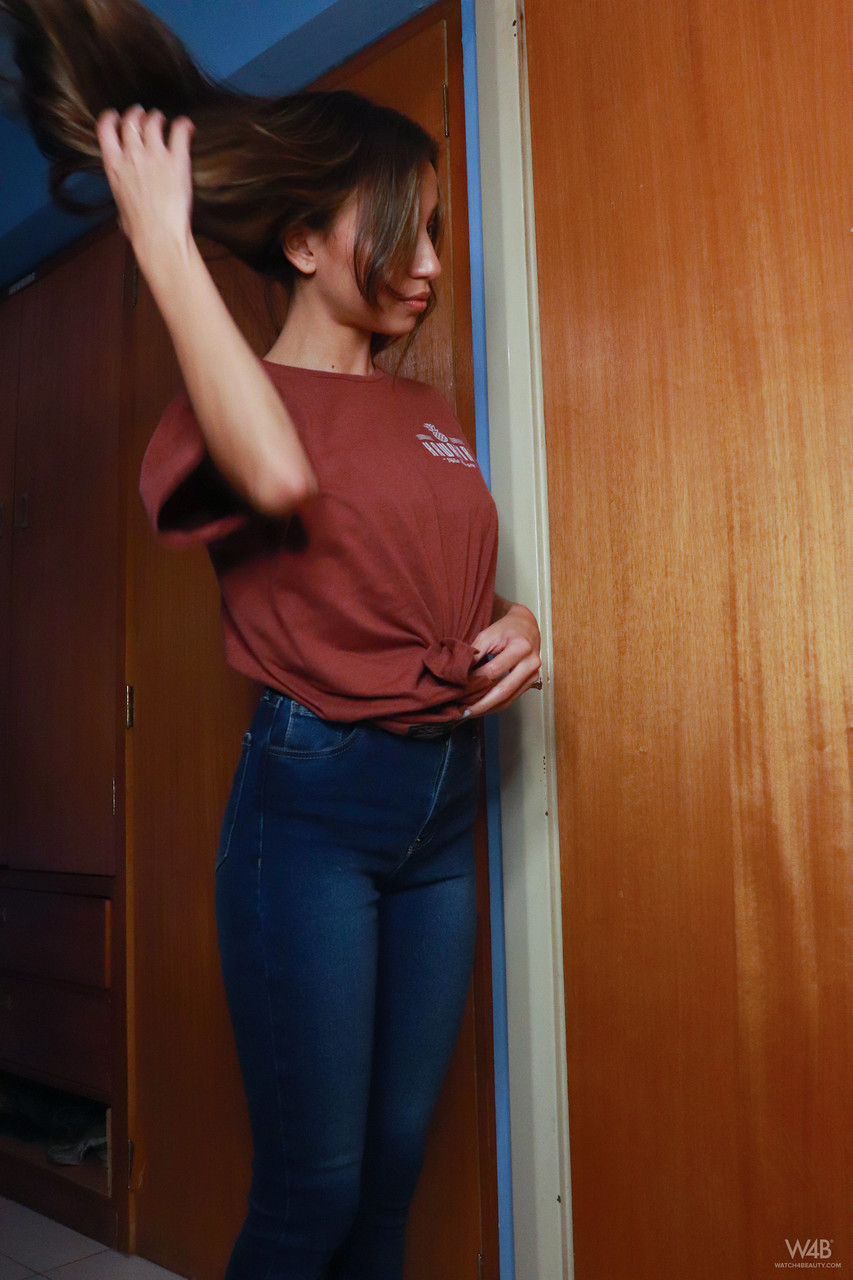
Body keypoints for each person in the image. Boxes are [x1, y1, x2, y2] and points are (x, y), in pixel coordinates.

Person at [2, 3, 542, 1276]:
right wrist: (160, 240)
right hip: (314, 812)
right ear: (303, 240)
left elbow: (426, 575)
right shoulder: (217, 410)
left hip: (442, 801)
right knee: (315, 1188)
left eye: (437, 233)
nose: (429, 262)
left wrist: (514, 620)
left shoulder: (427, 409)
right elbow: (279, 475)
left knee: (395, 1168)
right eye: (405, 227)